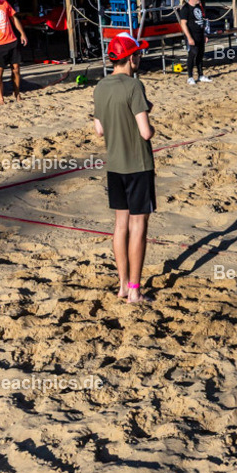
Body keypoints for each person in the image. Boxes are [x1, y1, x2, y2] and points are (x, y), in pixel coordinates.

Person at [93, 33, 156, 304]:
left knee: (120, 226)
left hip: (115, 165)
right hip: (138, 165)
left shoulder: (100, 86)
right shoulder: (134, 85)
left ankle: (121, 284)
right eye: (138, 54)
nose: (140, 57)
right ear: (131, 58)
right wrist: (151, 124)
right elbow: (145, 133)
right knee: (138, 226)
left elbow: (99, 129)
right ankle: (134, 289)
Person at [176, 0, 210, 84]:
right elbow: (183, 24)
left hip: (200, 34)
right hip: (192, 35)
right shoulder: (186, 8)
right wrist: (189, 37)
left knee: (200, 55)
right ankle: (190, 76)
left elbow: (201, 21)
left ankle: (201, 75)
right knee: (192, 54)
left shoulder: (198, 7)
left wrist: (204, 34)